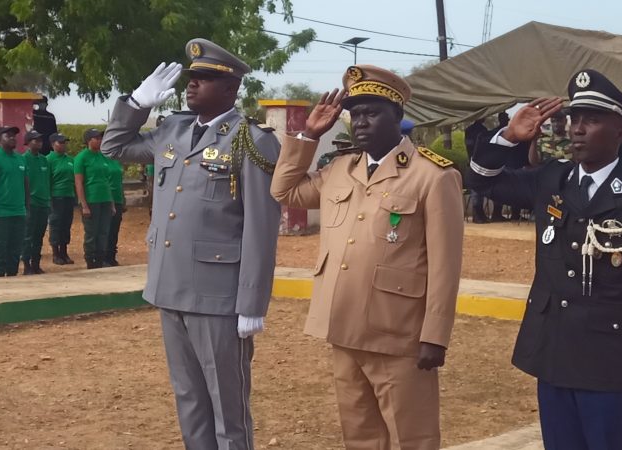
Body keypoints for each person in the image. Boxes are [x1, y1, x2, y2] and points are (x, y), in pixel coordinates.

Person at [466, 69, 622, 450]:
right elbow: (483, 180)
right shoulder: (551, 180)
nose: (577, 129)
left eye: (593, 120)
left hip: (609, 365)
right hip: (553, 356)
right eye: (574, 119)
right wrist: (508, 137)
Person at [271, 64, 464, 450]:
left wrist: (435, 336)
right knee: (360, 436)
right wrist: (308, 136)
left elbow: (446, 264)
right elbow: (285, 192)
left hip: (398, 334)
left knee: (413, 437)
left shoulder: (432, 176)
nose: (360, 122)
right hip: (343, 328)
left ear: (397, 115)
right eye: (355, 114)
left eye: (372, 113)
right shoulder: (340, 169)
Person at [101, 38, 280, 449]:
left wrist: (252, 303)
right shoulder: (173, 130)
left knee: (227, 407)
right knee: (189, 400)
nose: (191, 85)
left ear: (231, 89)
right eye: (191, 78)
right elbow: (115, 147)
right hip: (171, 287)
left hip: (219, 296)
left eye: (204, 79)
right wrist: (135, 103)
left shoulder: (250, 139)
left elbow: (260, 226)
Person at [0, 126, 29, 277]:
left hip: (19, 211)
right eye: (8, 135)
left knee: (16, 247)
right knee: (0, 247)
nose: (13, 138)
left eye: (14, 135)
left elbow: (26, 185)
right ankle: (0, 275)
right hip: (1, 212)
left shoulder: (20, 158)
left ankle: (12, 275)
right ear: (0, 139)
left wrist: (27, 208)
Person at [74, 128, 114, 268]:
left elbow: (107, 180)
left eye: (100, 138)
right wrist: (83, 204)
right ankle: (90, 261)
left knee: (103, 232)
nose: (99, 140)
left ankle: (100, 259)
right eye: (96, 138)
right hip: (91, 200)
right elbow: (78, 182)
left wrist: (112, 203)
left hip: (105, 200)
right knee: (92, 232)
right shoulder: (82, 157)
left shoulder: (103, 156)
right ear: (88, 141)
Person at [21, 130, 50, 274]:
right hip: (31, 204)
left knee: (39, 235)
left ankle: (36, 264)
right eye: (35, 140)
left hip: (44, 203)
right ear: (27, 142)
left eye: (40, 140)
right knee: (28, 235)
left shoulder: (44, 159)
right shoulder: (23, 159)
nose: (39, 142)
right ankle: (26, 265)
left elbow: (47, 181)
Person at [47, 133, 76, 264]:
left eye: (65, 142)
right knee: (55, 224)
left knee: (66, 224)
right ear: (53, 144)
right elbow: (47, 180)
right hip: (55, 196)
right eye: (60, 142)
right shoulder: (48, 160)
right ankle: (55, 253)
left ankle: (64, 252)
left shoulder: (70, 159)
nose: (63, 145)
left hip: (69, 195)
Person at [465, 119, 490, 223]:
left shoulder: (469, 130)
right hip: (478, 161)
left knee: (478, 189)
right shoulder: (482, 130)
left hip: (474, 161)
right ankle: (478, 215)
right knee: (477, 190)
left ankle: (479, 215)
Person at [105, 156, 125, 266]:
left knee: (114, 230)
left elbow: (120, 182)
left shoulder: (116, 161)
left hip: (118, 199)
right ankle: (104, 256)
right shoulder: (102, 161)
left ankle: (112, 255)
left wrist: (123, 199)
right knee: (106, 229)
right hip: (107, 198)